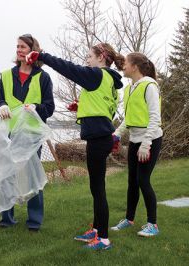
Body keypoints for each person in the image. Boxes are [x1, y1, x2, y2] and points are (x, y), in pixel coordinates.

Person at [26, 43, 124, 250]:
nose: (86, 61)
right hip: (101, 137)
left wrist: (42, 56)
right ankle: (97, 229)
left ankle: (103, 239)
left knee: (98, 190)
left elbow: (67, 67)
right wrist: (80, 107)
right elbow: (105, 108)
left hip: (98, 139)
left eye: (89, 56)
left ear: (102, 56)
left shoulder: (96, 74)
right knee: (96, 187)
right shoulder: (110, 81)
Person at [0, 34, 55, 231]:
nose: (19, 50)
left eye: (23, 47)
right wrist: (1, 106)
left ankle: (34, 221)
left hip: (31, 135)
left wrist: (36, 107)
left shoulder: (43, 78)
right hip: (10, 135)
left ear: (32, 51)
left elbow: (49, 107)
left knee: (32, 176)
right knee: (7, 174)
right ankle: (6, 218)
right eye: (17, 46)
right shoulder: (5, 76)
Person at [110, 52, 162, 237]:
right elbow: (129, 118)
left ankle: (152, 224)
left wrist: (146, 144)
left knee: (143, 180)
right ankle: (129, 219)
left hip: (150, 140)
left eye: (126, 63)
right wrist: (116, 134)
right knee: (132, 181)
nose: (123, 66)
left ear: (135, 66)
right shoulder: (130, 87)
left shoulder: (149, 85)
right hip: (134, 140)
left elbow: (155, 117)